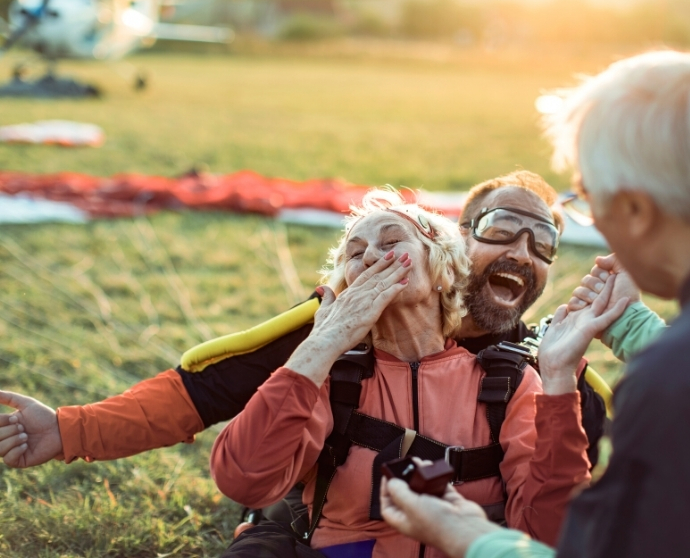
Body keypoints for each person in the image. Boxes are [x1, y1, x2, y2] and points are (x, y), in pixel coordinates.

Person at [376, 50, 690, 558]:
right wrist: (630, 325)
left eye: (586, 199)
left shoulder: (685, 380)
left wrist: (472, 538)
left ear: (636, 209)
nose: (595, 222)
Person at [0, 171, 635, 472]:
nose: (522, 253)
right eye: (501, 231)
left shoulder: (546, 362)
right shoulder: (346, 319)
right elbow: (200, 390)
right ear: (456, 242)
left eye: (543, 245)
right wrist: (65, 429)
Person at [208, 188, 627, 558]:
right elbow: (243, 480)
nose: (371, 255)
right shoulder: (330, 375)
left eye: (392, 241)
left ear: (444, 272)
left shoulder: (509, 382)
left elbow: (548, 534)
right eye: (355, 253)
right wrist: (320, 346)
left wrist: (557, 378)